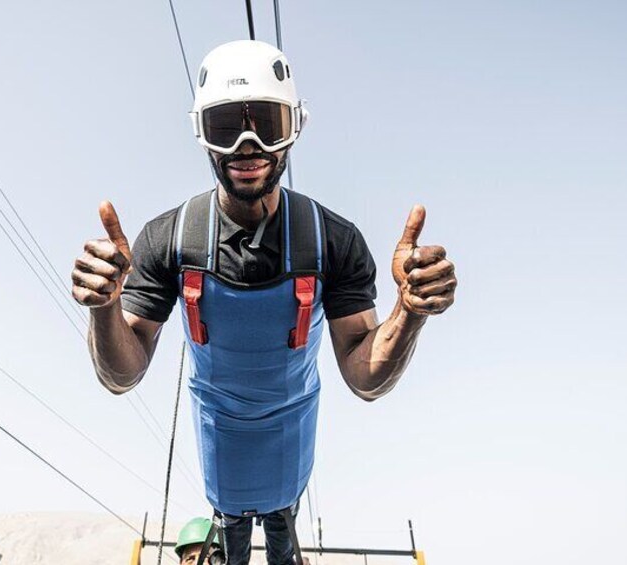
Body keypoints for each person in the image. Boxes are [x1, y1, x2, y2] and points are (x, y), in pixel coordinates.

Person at [72, 40, 457, 565]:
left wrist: (409, 312)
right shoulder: (168, 240)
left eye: (266, 126)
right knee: (231, 527)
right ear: (203, 136)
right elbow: (122, 374)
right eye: (226, 127)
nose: (247, 148)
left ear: (293, 131)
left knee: (281, 524)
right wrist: (104, 309)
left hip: (291, 426)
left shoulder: (332, 242)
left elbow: (366, 378)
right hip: (220, 430)